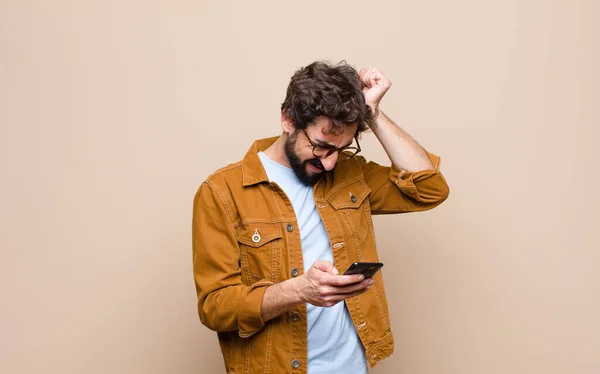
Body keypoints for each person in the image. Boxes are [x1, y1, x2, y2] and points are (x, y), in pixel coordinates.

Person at [192, 61, 449, 374]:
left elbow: (430, 188)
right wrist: (299, 291)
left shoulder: (351, 174)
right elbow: (215, 307)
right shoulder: (222, 191)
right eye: (321, 146)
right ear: (288, 119)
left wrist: (374, 114)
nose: (330, 164)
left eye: (341, 149)